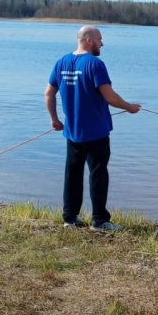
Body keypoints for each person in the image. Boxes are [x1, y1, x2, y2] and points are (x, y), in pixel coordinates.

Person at [45, 25, 141, 231]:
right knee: (98, 175)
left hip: (72, 132)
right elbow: (110, 97)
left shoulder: (61, 62)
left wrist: (54, 119)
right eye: (99, 39)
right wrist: (129, 107)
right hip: (96, 133)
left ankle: (70, 219)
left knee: (73, 174)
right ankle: (99, 221)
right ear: (88, 40)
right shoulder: (95, 64)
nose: (102, 43)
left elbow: (48, 93)